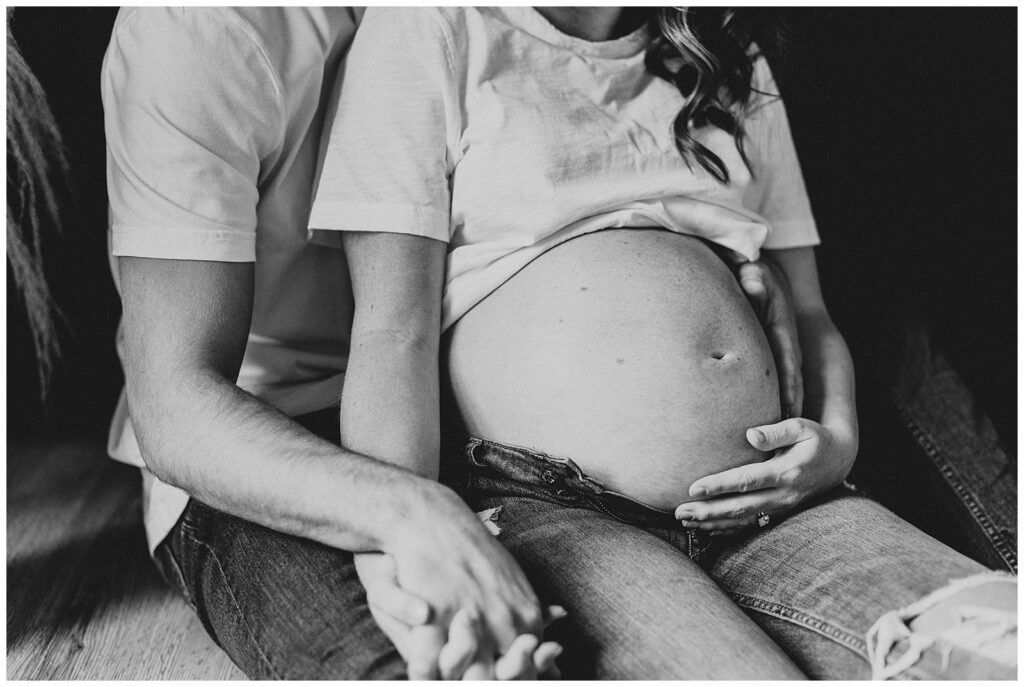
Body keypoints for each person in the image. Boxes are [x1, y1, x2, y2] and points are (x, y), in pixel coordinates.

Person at [309, 6, 1017, 679]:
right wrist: (399, 549)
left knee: (996, 643)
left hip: (768, 496)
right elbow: (392, 334)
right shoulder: (432, 26)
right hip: (556, 507)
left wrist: (837, 441)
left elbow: (810, 311)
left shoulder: (728, 54)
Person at [101, 7, 575, 679]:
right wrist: (411, 512)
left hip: (471, 423)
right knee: (436, 670)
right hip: (273, 433)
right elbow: (174, 403)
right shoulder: (201, 27)